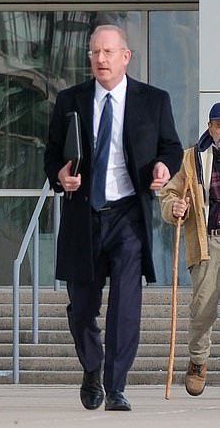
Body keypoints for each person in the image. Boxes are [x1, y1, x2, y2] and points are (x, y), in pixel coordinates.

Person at [43, 24, 182, 411]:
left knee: (126, 304)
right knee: (82, 307)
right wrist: (60, 175)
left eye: (107, 53)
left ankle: (116, 385)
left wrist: (162, 167)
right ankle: (92, 366)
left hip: (128, 216)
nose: (100, 60)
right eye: (94, 53)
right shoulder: (71, 100)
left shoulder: (153, 100)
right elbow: (52, 153)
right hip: (83, 215)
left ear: (126, 57)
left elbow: (171, 147)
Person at [159, 103, 220, 397]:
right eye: (219, 126)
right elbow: (168, 194)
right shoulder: (192, 158)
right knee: (203, 310)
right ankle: (198, 361)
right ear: (210, 127)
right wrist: (176, 208)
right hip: (208, 240)